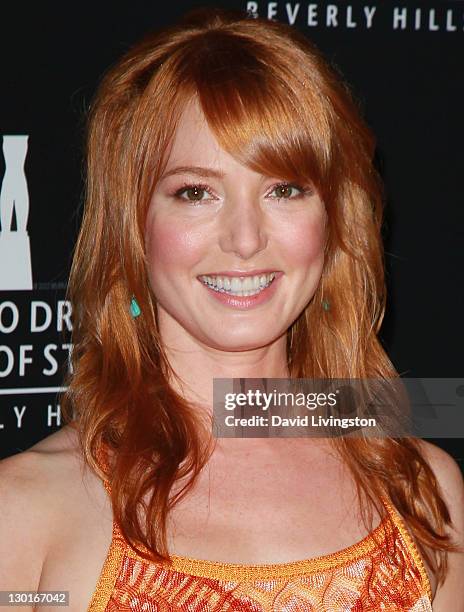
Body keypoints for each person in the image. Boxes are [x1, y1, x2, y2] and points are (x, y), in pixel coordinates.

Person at [1, 7, 463, 611]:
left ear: (332, 222)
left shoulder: (423, 493)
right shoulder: (27, 512)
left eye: (283, 189)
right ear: (131, 227)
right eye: (196, 192)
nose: (245, 239)